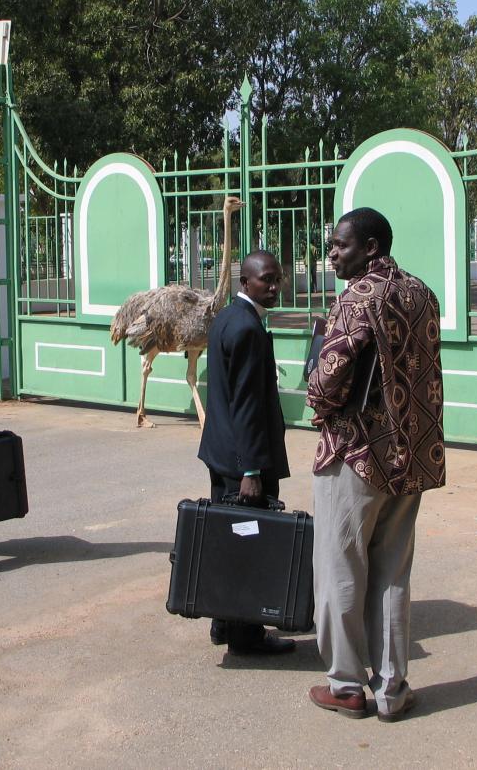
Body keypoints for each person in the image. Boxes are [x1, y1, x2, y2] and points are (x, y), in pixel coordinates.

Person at [305, 208, 446, 722]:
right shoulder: (422, 294)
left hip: (356, 455)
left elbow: (325, 385)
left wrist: (316, 393)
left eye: (340, 245)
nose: (332, 253)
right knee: (392, 573)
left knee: (341, 570)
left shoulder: (356, 298)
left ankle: (345, 685)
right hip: (413, 455)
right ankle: (392, 690)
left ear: (370, 247)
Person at [197, 249, 295, 655]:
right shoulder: (248, 329)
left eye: (277, 279)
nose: (273, 286)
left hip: (221, 452)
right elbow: (248, 405)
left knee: (228, 539)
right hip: (242, 460)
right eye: (265, 280)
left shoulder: (227, 318)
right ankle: (246, 636)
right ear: (245, 283)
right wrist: (252, 470)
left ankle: (224, 620)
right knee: (247, 545)